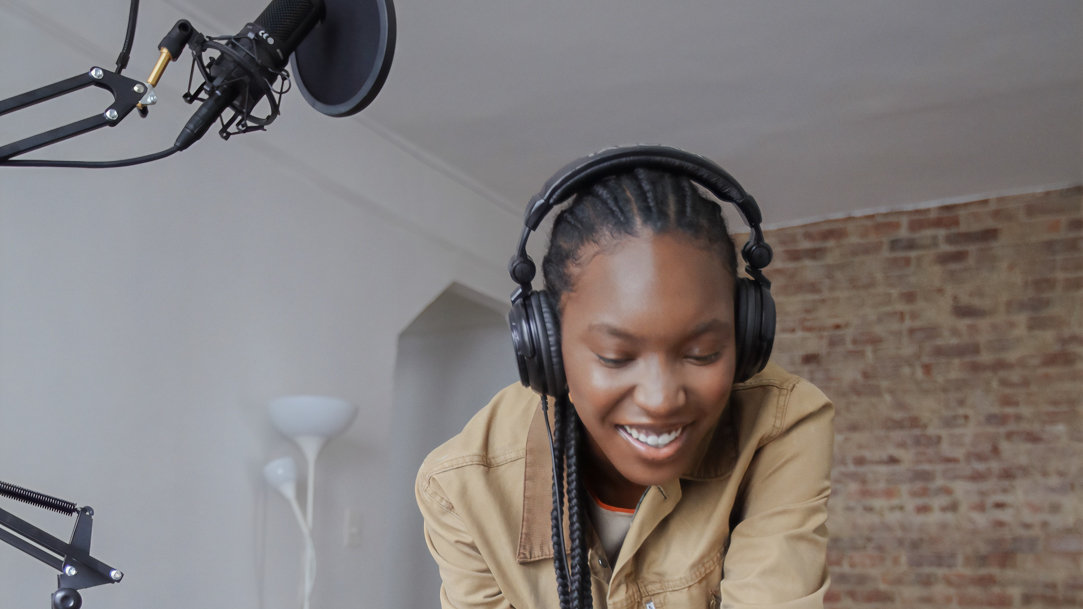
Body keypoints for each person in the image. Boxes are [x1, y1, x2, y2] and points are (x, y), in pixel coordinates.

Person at [416, 146, 834, 609]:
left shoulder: (781, 423)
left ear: (746, 338)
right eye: (616, 357)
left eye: (702, 353)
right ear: (548, 351)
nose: (660, 399)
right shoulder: (461, 490)